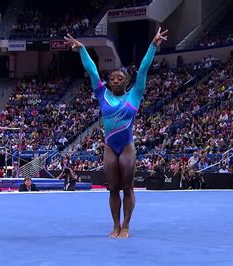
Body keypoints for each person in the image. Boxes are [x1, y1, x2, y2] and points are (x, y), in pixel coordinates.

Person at [64, 27, 168, 238]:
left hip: (127, 146)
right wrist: (83, 49)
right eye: (113, 78)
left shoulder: (135, 94)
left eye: (120, 78)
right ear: (109, 82)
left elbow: (144, 70)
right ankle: (115, 225)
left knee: (127, 188)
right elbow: (93, 71)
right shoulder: (102, 94)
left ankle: (126, 225)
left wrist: (153, 45)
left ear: (127, 81)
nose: (116, 80)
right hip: (110, 147)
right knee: (113, 189)